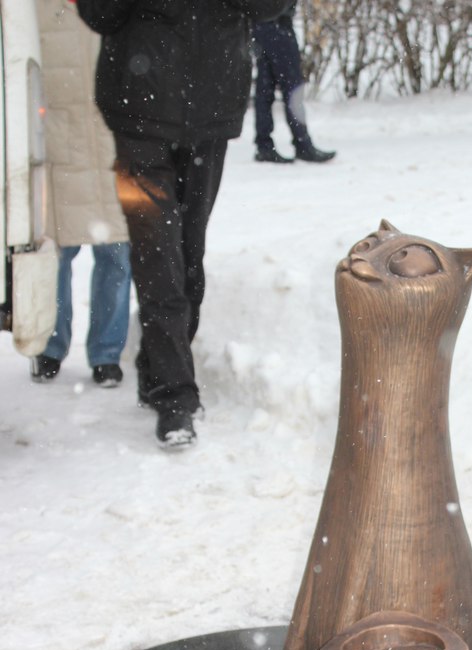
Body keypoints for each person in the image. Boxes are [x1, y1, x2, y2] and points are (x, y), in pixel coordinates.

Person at [76, 0, 292, 448]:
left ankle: (158, 369)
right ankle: (175, 395)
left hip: (211, 109)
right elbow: (100, 13)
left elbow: (270, 7)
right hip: (139, 113)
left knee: (188, 253)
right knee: (158, 252)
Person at [33, 0, 131, 388]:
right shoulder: (33, 8)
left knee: (116, 255)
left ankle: (107, 354)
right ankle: (49, 344)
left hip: (112, 146)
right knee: (55, 254)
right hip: (57, 150)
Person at [252, 2, 336, 164]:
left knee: (266, 86)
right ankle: (301, 143)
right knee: (291, 87)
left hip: (264, 22)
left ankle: (264, 145)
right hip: (276, 22)